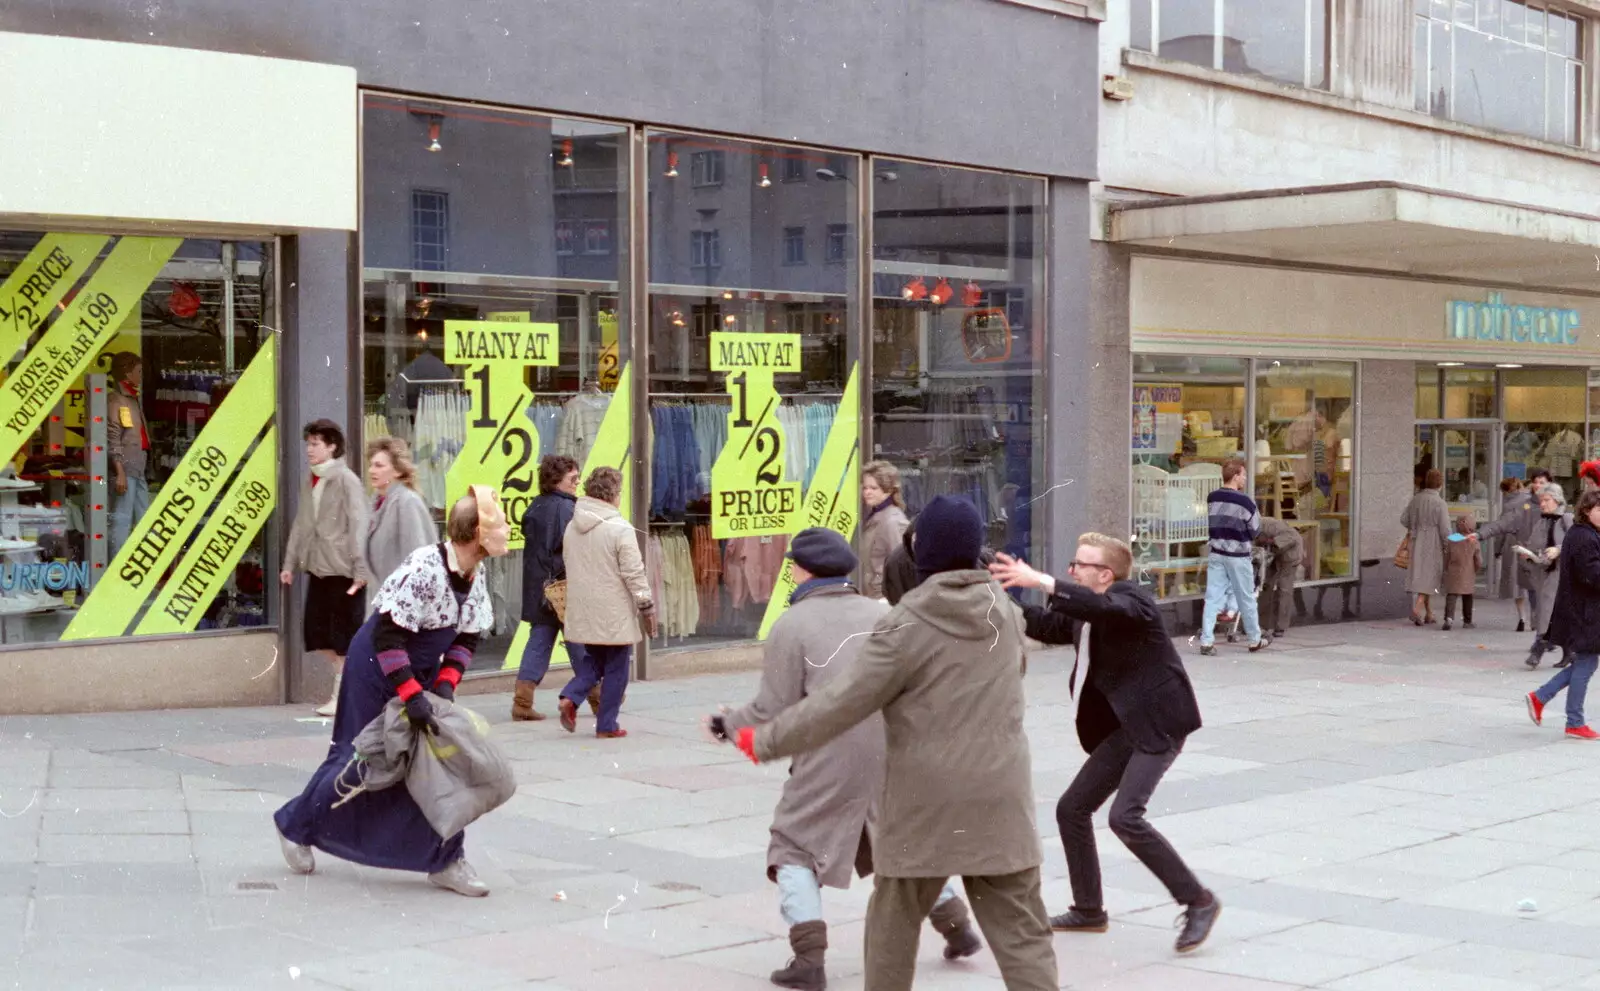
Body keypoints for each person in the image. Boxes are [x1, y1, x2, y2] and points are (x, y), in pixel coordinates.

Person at [729, 496, 1056, 991]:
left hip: (924, 798)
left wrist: (765, 740)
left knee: (893, 922)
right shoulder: (1004, 612)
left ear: (920, 549)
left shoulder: (905, 623)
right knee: (1022, 932)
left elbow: (842, 703)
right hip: (1001, 793)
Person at [708, 527, 981, 990]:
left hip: (831, 749)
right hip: (895, 745)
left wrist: (726, 723)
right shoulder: (886, 614)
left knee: (793, 844)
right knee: (899, 841)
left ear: (802, 570)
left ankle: (808, 958)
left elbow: (771, 708)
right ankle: (957, 925)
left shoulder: (790, 625)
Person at [991, 534, 1220, 956]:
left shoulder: (1134, 602)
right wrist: (997, 590)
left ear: (1105, 574)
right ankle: (1088, 910)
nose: (1072, 570)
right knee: (1071, 809)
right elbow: (1044, 624)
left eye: (1080, 565)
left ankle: (1199, 901)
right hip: (1126, 726)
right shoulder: (1086, 609)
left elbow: (1105, 608)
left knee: (1125, 817)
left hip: (1158, 724)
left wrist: (1041, 581)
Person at [274, 487, 509, 895]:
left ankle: (446, 859)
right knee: (357, 759)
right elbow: (387, 638)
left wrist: (443, 687)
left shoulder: (474, 572)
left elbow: (467, 638)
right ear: (474, 535)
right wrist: (413, 694)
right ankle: (295, 826)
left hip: (415, 671)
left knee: (430, 764)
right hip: (375, 669)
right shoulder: (425, 567)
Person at [557, 467, 657, 739]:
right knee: (617, 667)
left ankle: (571, 696)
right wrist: (646, 605)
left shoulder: (572, 526)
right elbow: (634, 572)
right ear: (612, 494)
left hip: (583, 606)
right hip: (613, 609)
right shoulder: (619, 528)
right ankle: (607, 725)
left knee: (594, 660)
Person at [282, 420, 372, 717]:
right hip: (318, 567)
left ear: (332, 446)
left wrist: (360, 570)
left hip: (342, 569)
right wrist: (289, 563)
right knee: (317, 634)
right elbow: (301, 523)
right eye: (308, 443)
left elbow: (359, 524)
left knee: (343, 636)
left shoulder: (346, 479)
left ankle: (341, 695)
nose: (309, 449)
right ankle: (346, 688)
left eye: (316, 443)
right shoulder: (312, 480)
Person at [514, 455, 588, 722]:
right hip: (562, 586)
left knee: (540, 641)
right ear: (556, 481)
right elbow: (568, 549)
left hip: (539, 587)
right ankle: (599, 696)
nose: (577, 483)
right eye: (572, 479)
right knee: (579, 640)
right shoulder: (566, 510)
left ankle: (522, 702)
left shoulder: (535, 506)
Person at [1525, 488, 1600, 741]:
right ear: (1587, 511)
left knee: (1585, 663)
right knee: (1587, 663)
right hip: (1584, 613)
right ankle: (1574, 721)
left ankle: (1541, 698)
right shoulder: (1584, 537)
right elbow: (1592, 575)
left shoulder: (1587, 534)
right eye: (1599, 510)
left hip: (1584, 611)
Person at [1198, 459, 1268, 655]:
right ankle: (1254, 639)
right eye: (1243, 475)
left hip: (1217, 553)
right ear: (1236, 476)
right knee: (1246, 597)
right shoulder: (1245, 501)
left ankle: (1206, 641)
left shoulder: (1212, 497)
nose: (1245, 478)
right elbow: (1255, 530)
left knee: (1212, 597)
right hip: (1238, 555)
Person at [1476, 469, 1551, 633]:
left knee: (1520, 587)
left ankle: (1524, 618)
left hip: (1520, 549)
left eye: (1541, 482)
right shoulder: (1524, 505)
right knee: (1532, 588)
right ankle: (1537, 625)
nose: (1537, 485)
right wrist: (1480, 534)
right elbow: (1503, 525)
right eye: (1536, 482)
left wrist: (1497, 550)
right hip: (1527, 551)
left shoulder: (1517, 505)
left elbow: (1502, 528)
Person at [363, 437, 435, 595]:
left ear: (397, 470)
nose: (371, 471)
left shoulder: (407, 502)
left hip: (403, 605)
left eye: (379, 465)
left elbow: (418, 561)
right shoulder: (376, 501)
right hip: (381, 603)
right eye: (371, 465)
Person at [1518, 482, 1571, 670]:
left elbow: (1577, 544)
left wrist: (1558, 550)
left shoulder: (1567, 519)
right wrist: (1529, 554)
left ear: (1557, 500)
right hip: (1544, 573)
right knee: (1554, 612)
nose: (1543, 504)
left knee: (1546, 612)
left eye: (1546, 500)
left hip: (1560, 575)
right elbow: (1534, 545)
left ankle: (1537, 650)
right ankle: (1568, 652)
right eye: (1541, 500)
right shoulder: (1542, 521)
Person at [106, 351, 151, 557]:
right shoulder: (117, 400)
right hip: (127, 467)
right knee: (122, 519)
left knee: (142, 515)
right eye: (138, 371)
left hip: (137, 465)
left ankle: (137, 561)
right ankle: (117, 563)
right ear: (127, 373)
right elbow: (113, 437)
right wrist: (120, 471)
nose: (141, 376)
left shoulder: (132, 400)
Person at [1400, 468, 1451, 626]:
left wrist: (1415, 526)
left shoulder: (1416, 499)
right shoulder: (1440, 503)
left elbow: (1404, 519)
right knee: (1431, 577)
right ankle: (1416, 609)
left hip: (1417, 541)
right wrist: (1449, 545)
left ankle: (1429, 613)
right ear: (1440, 484)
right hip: (1433, 542)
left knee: (1424, 577)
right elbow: (1445, 529)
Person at [858, 460, 909, 601]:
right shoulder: (875, 516)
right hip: (875, 596)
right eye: (865, 488)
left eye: (873, 488)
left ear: (888, 490)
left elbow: (902, 565)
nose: (867, 492)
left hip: (885, 598)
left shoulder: (893, 521)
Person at [1494, 478, 1534, 630]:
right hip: (1531, 543)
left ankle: (1522, 618)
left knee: (1518, 584)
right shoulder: (1530, 500)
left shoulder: (1508, 505)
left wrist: (1497, 549)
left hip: (1513, 544)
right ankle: (1535, 617)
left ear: (1505, 491)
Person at [1255, 516, 1303, 639]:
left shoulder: (1271, 525)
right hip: (1273, 554)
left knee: (1284, 589)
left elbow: (1291, 536)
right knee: (1264, 586)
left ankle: (1280, 626)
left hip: (1290, 554)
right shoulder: (1254, 526)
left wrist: (1270, 542)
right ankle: (1261, 624)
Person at [1442, 514, 1480, 632]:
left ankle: (1449, 618)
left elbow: (1446, 555)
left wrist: (1446, 568)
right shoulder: (1473, 540)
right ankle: (1467, 621)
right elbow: (1478, 558)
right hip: (1468, 572)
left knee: (1451, 595)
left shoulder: (1452, 539)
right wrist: (1476, 568)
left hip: (1453, 571)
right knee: (1468, 596)